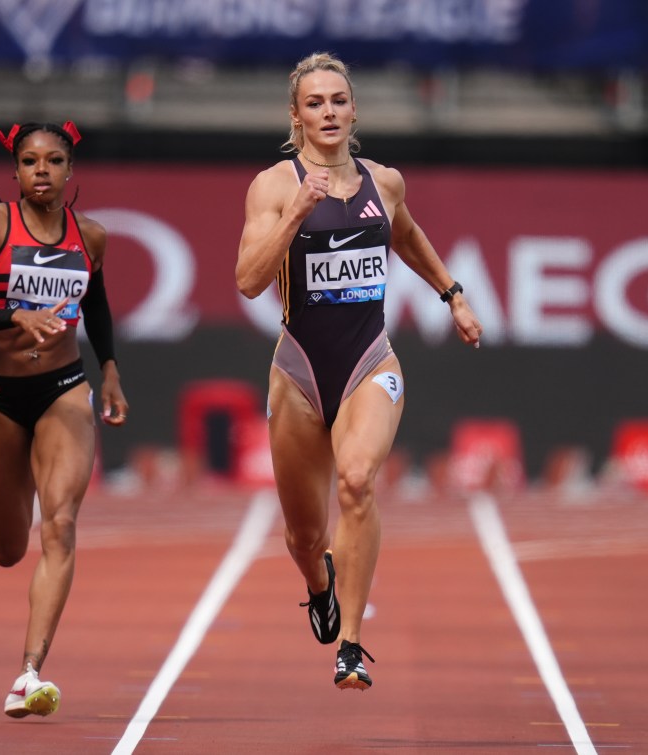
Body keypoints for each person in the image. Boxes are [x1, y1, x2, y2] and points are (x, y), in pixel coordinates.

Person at [235, 53, 482, 691]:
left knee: (356, 481)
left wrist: (451, 293)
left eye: (338, 101)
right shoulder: (272, 186)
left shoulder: (384, 181)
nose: (328, 112)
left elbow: (406, 234)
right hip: (298, 371)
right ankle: (319, 584)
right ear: (296, 116)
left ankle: (351, 643)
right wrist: (295, 213)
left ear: (354, 110)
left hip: (370, 358)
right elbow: (248, 282)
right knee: (302, 533)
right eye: (314, 103)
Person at [0, 120, 128, 717]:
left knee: (61, 523)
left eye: (52, 161)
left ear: (71, 171)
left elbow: (95, 306)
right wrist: (12, 316)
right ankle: (27, 661)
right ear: (15, 171)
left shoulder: (90, 237)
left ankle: (29, 673)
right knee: (8, 548)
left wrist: (112, 369)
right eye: (29, 161)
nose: (41, 170)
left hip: (64, 387)